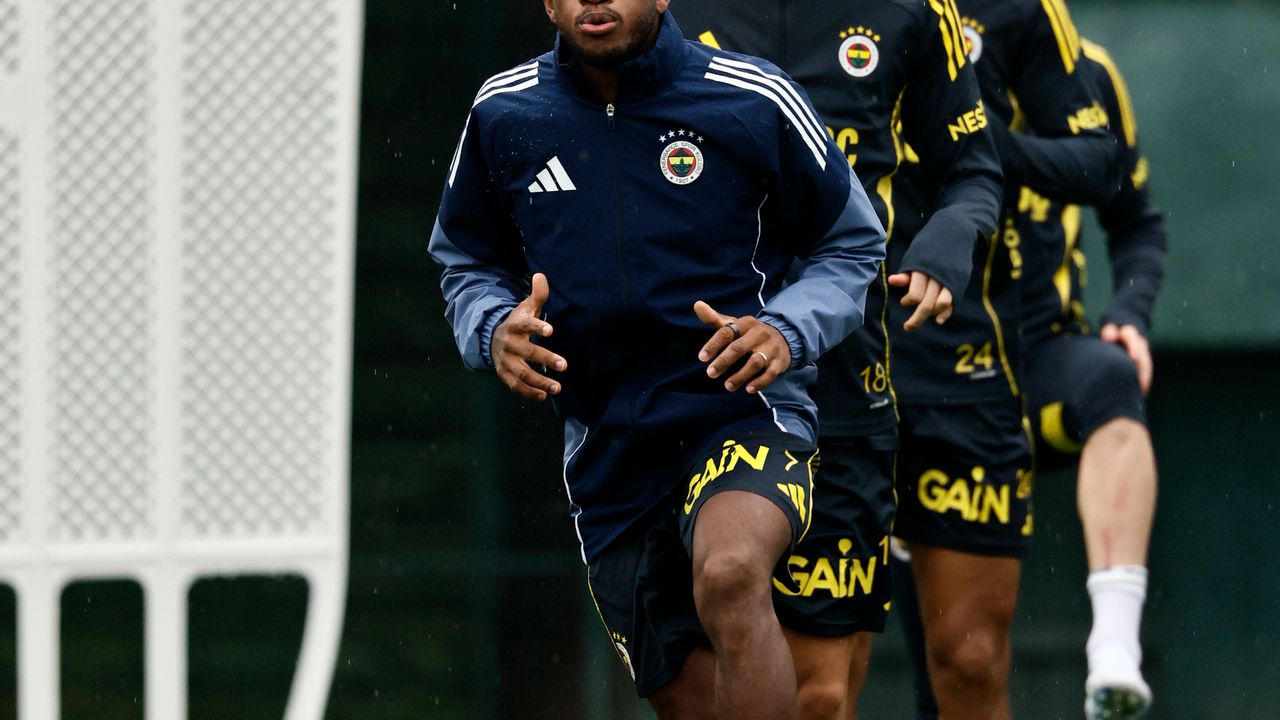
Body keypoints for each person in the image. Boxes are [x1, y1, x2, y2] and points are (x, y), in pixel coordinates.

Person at [428, 2, 885, 718]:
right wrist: (492, 329)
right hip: (608, 450)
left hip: (739, 412)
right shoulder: (504, 111)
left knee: (731, 572)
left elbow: (851, 242)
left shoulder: (753, 97)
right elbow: (466, 259)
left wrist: (786, 329)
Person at [673, 2, 1003, 718]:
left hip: (845, 385)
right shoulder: (660, 14)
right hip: (693, 387)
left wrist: (951, 237)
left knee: (817, 696)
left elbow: (972, 171)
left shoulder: (915, 11)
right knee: (702, 692)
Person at [884, 0, 1123, 718]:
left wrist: (977, 143)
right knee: (820, 684)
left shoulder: (1023, 14)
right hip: (820, 361)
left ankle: (1117, 641)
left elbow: (1103, 166)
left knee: (968, 661)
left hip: (971, 357)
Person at [1016, 37, 1165, 719]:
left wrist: (1129, 314)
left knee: (1110, 379)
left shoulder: (1087, 70)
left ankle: (1114, 645)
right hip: (917, 370)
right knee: (957, 659)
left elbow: (1137, 222)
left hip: (1042, 356)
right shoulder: (905, 49)